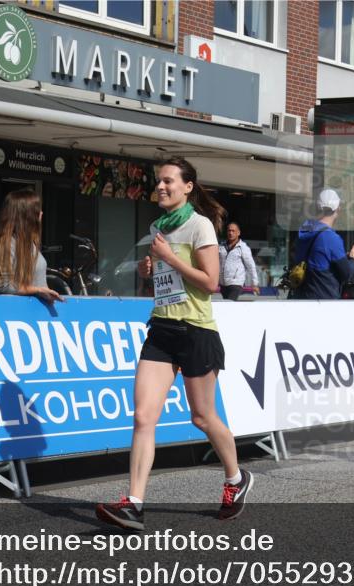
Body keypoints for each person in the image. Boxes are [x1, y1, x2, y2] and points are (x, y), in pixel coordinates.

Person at [96, 157, 253, 531]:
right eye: (158, 181)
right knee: (143, 416)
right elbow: (167, 282)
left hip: (197, 331)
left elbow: (210, 282)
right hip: (162, 329)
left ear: (188, 186)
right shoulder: (157, 227)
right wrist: (150, 269)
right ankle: (134, 503)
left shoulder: (200, 226)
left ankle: (236, 479)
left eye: (168, 181)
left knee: (202, 416)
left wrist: (168, 257)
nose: (161, 187)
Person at [0, 189, 64, 304]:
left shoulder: (30, 243)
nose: (41, 213)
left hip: (36, 314)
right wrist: (38, 290)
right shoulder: (8, 242)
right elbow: (4, 286)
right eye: (37, 209)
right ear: (27, 214)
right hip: (18, 314)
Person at [290, 188, 354, 299]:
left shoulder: (305, 229)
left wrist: (345, 256)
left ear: (317, 207)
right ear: (338, 209)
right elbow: (346, 274)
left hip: (302, 299)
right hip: (323, 303)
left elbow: (316, 257)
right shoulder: (330, 238)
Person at [218, 222, 259, 300]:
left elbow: (251, 266)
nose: (231, 233)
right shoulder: (221, 247)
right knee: (227, 306)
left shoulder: (243, 247)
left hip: (236, 283)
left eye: (233, 231)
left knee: (230, 304)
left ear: (238, 233)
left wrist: (254, 283)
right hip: (223, 283)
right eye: (229, 231)